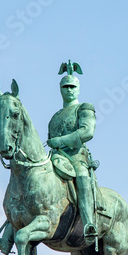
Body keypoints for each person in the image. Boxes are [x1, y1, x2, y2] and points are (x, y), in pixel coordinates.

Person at [47, 63, 98, 244]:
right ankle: (7, 237)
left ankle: (89, 224)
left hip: (77, 157)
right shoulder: (55, 117)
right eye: (65, 87)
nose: (69, 90)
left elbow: (87, 132)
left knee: (82, 177)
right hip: (55, 158)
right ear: (60, 89)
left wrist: (60, 141)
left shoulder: (84, 107)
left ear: (78, 89)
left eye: (72, 86)